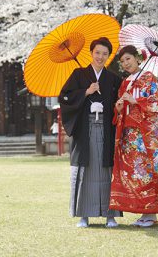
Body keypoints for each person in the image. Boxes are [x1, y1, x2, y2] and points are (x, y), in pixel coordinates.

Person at [109, 45, 158, 227]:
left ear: (138, 58)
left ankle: (152, 215)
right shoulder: (125, 83)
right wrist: (119, 108)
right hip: (130, 137)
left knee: (147, 173)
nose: (125, 63)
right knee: (135, 175)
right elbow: (120, 112)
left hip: (145, 137)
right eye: (122, 61)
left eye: (128, 59)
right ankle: (144, 213)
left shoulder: (148, 78)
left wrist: (136, 100)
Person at [59, 37, 122, 228]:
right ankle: (83, 216)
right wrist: (86, 92)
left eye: (105, 54)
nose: (100, 57)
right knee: (84, 172)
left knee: (107, 170)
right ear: (91, 53)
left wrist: (117, 106)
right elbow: (64, 97)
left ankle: (110, 216)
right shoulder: (78, 74)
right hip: (84, 131)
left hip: (106, 130)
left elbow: (119, 102)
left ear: (108, 56)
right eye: (97, 52)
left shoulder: (113, 79)